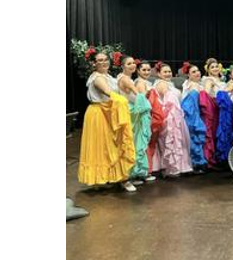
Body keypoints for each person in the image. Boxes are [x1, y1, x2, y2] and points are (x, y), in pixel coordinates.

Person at [78, 52, 137, 192]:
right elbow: (108, 92)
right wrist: (123, 101)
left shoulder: (108, 76)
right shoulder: (97, 78)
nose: (103, 62)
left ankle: (120, 178)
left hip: (109, 111)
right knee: (104, 147)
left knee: (114, 145)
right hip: (99, 114)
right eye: (99, 60)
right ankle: (109, 178)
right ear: (94, 63)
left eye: (105, 60)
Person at [149, 62, 193, 178]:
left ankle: (178, 166)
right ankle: (171, 168)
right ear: (159, 74)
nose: (168, 74)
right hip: (169, 116)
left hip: (176, 115)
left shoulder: (170, 83)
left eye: (169, 71)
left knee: (178, 142)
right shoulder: (162, 84)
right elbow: (168, 100)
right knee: (170, 141)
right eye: (165, 72)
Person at [117, 56, 151, 187]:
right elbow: (139, 95)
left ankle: (135, 172)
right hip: (131, 112)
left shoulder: (125, 78)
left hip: (131, 111)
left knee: (134, 143)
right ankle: (128, 175)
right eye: (129, 63)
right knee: (132, 143)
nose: (132, 65)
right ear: (123, 66)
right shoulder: (125, 79)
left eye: (133, 63)